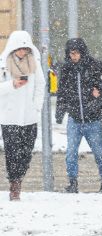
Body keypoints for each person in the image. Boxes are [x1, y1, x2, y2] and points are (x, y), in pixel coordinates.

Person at [55, 38, 102, 194]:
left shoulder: (95, 66)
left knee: (99, 151)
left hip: (93, 119)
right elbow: (62, 93)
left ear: (82, 52)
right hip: (74, 119)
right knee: (71, 152)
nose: (73, 56)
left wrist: (99, 94)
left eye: (76, 53)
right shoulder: (66, 69)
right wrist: (60, 113)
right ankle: (72, 183)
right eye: (71, 53)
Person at [0, 30, 45, 201]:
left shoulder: (34, 63)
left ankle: (19, 176)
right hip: (9, 117)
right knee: (12, 152)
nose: (22, 52)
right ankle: (14, 184)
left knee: (26, 152)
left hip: (29, 116)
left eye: (25, 48)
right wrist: (12, 84)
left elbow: (41, 85)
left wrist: (37, 107)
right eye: (19, 48)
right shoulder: (3, 63)